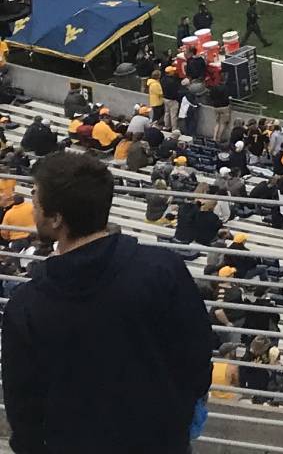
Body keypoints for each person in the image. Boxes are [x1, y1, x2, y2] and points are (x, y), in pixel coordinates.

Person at [1, 150, 212, 454]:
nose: (32, 210)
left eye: (36, 203)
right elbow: (198, 356)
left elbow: (23, 410)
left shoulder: (27, 306)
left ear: (57, 218)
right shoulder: (164, 269)